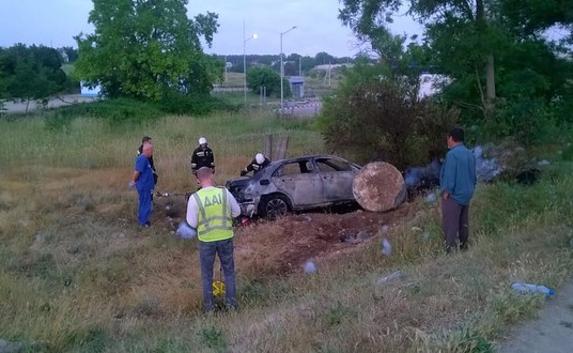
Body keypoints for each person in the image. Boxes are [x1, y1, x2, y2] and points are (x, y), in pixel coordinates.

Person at [186, 167, 241, 312]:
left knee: (207, 275)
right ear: (211, 176)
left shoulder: (195, 198)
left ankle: (209, 308)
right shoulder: (224, 192)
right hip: (225, 237)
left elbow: (191, 223)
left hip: (206, 240)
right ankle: (231, 306)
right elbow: (237, 212)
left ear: (198, 180)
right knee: (229, 272)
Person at [440, 127, 477, 253]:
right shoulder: (469, 154)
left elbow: (450, 175)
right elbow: (473, 176)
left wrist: (446, 192)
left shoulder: (452, 155)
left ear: (451, 138)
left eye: (448, 139)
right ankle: (464, 247)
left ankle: (450, 251)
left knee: (450, 225)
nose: (447, 142)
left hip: (454, 196)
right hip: (467, 194)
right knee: (463, 223)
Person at [130, 143, 155, 227]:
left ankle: (142, 219)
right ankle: (143, 223)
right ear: (147, 150)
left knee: (144, 203)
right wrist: (133, 181)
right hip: (144, 187)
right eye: (151, 150)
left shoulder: (145, 159)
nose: (152, 152)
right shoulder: (142, 159)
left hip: (146, 186)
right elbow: (137, 171)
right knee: (145, 204)